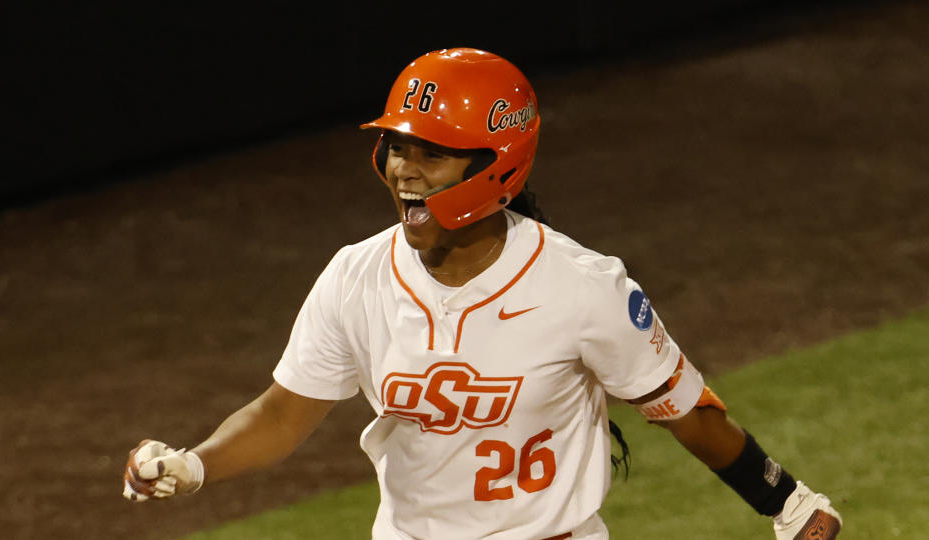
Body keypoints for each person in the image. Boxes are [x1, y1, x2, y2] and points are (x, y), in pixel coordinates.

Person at [123, 48, 842, 539]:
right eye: (398, 146)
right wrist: (197, 464)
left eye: (430, 152)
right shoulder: (357, 275)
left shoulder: (582, 288)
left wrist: (784, 501)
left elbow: (687, 413)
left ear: (494, 163)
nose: (404, 168)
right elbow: (283, 416)